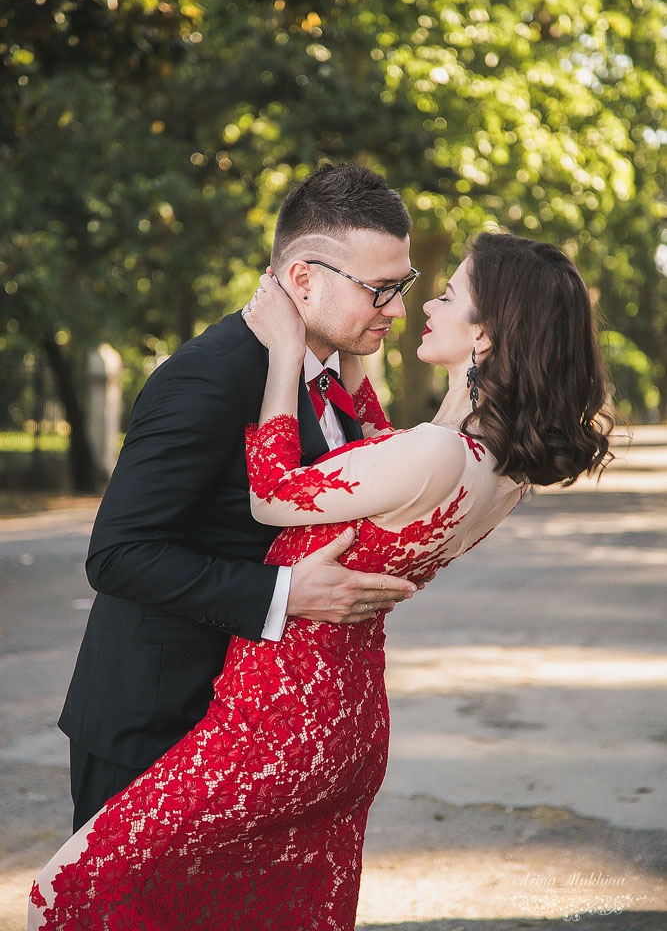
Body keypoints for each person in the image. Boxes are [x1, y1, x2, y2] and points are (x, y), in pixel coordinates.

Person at [29, 231, 612, 930]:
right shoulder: (497, 466)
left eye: (446, 294)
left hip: (279, 719)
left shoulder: (431, 452)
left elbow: (273, 492)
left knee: (67, 894)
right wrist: (347, 349)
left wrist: (285, 352)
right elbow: (378, 445)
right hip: (342, 719)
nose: (420, 305)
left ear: (484, 336)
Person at [57, 162, 420, 834]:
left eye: (403, 286)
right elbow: (118, 555)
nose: (397, 309)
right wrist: (285, 592)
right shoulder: (208, 375)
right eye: (379, 290)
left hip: (259, 732)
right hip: (161, 725)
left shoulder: (329, 375)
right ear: (303, 280)